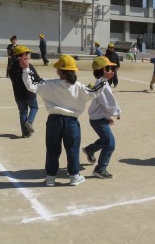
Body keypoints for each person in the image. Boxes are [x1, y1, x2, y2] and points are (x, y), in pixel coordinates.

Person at [19, 54, 113, 186]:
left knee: (52, 150)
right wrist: (104, 79)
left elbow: (31, 85)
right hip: (71, 122)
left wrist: (26, 69)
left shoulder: (49, 84)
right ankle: (74, 177)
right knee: (72, 149)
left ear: (59, 71)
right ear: (74, 71)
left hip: (53, 121)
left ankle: (50, 178)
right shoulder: (79, 87)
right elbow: (95, 92)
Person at [83, 56, 122, 179]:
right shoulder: (102, 84)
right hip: (97, 120)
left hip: (99, 118)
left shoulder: (102, 82)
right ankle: (100, 169)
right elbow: (109, 102)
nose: (112, 71)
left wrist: (107, 117)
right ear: (103, 70)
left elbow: (103, 104)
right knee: (110, 143)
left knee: (106, 140)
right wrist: (117, 112)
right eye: (109, 68)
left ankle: (90, 149)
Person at [8, 45, 40, 138]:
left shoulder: (12, 68)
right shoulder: (28, 66)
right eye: (27, 54)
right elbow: (36, 78)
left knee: (23, 112)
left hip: (18, 94)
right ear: (23, 55)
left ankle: (25, 133)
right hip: (29, 93)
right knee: (34, 107)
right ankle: (29, 122)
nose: (28, 56)